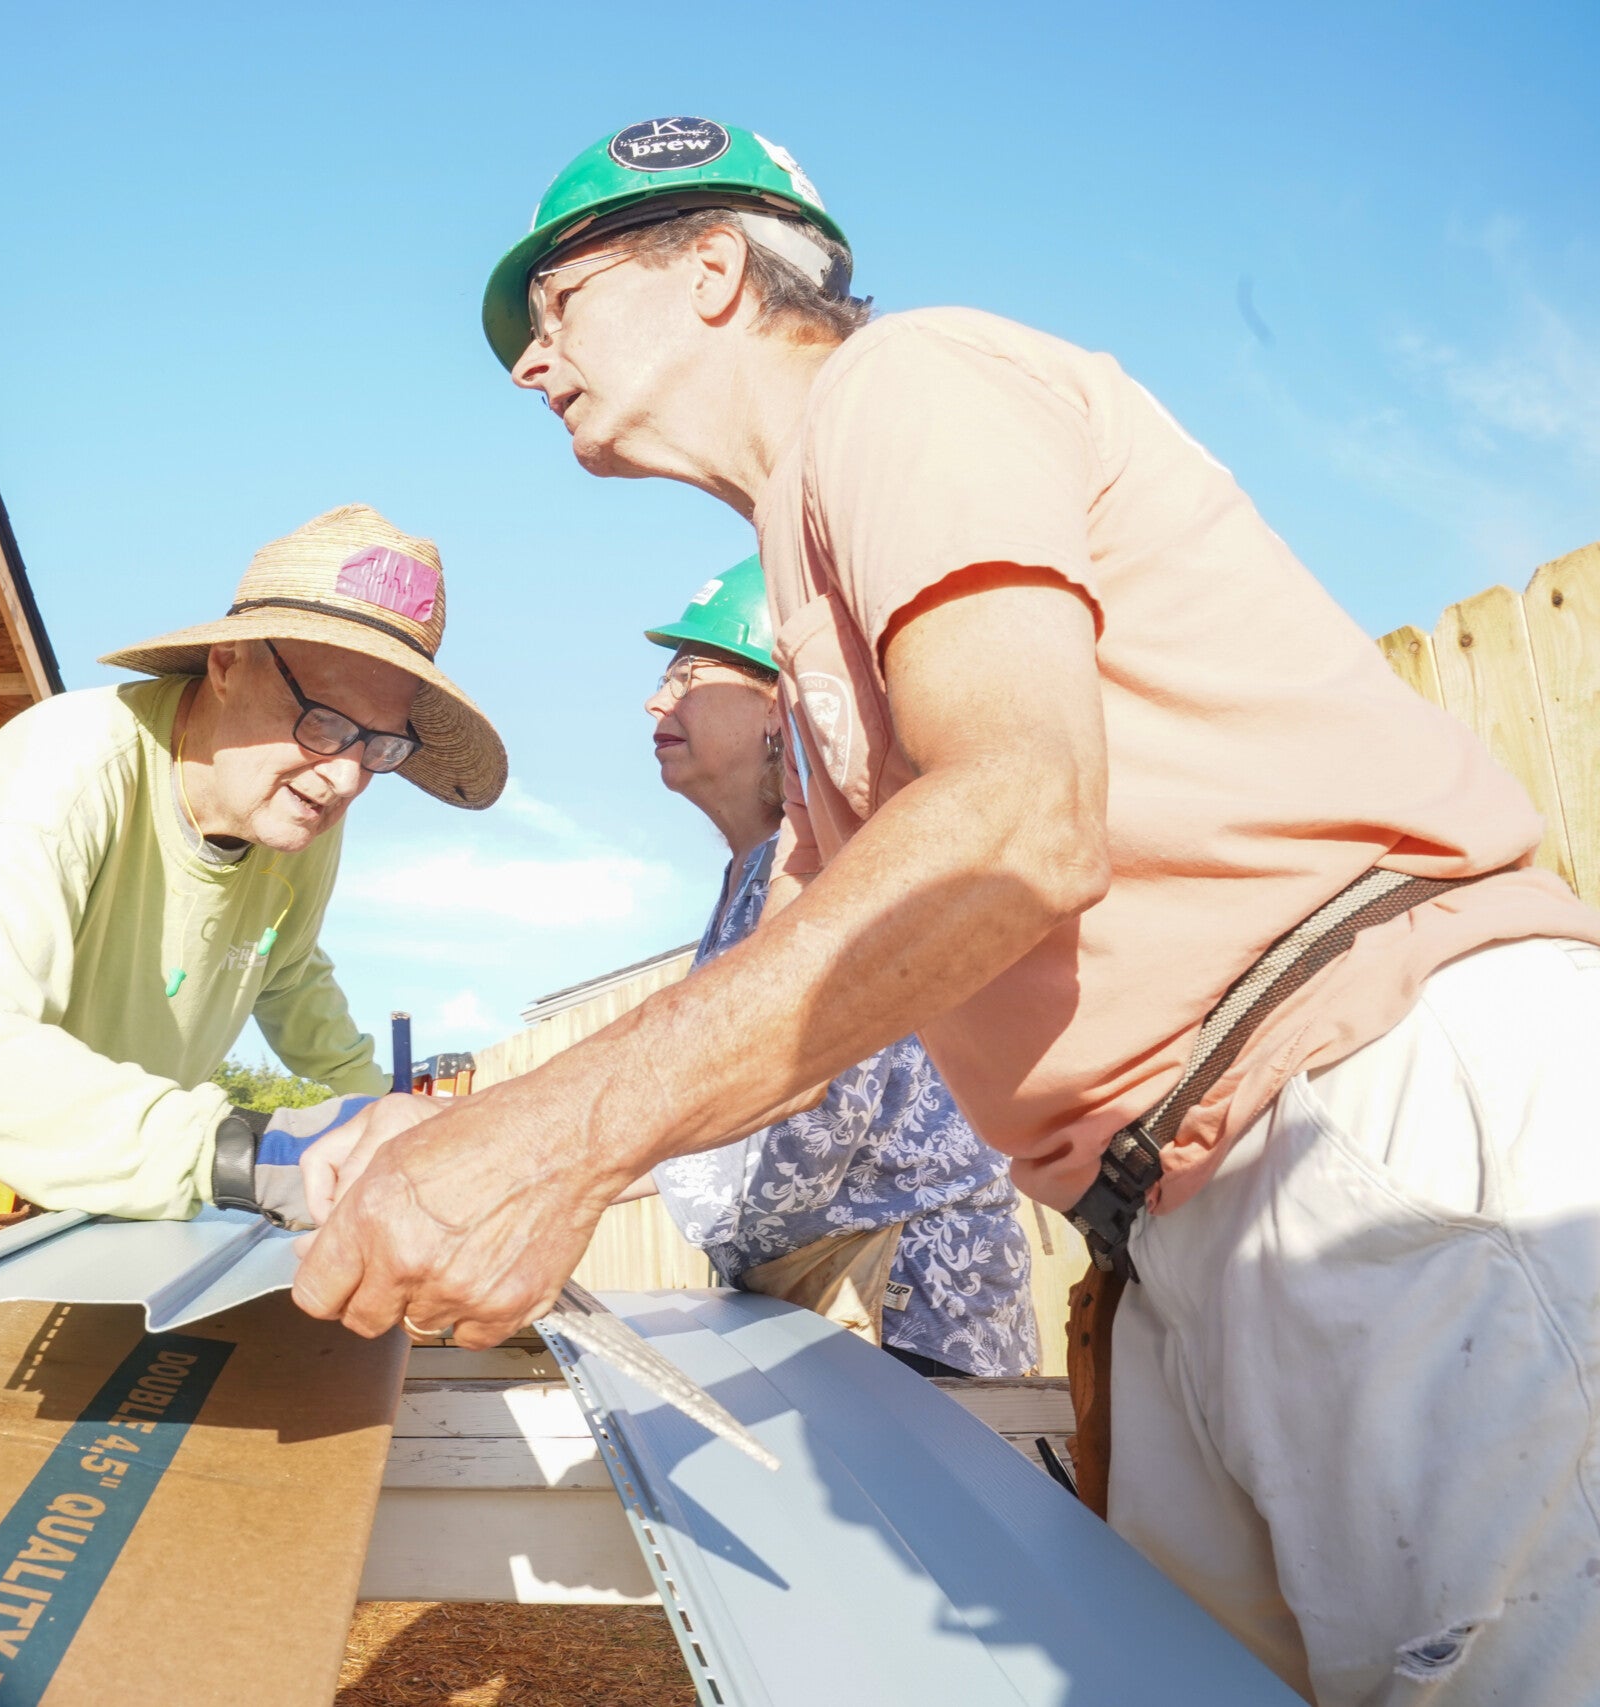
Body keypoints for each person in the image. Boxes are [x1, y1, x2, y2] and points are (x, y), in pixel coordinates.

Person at [295, 116, 1600, 1704]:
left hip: (1375, 1115)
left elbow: (1020, 821)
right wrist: (461, 1129)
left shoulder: (906, 388)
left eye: (553, 303)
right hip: (1201, 1196)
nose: (526, 359)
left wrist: (551, 1142)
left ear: (712, 267)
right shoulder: (815, 579)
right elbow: (787, 977)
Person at [0, 504, 506, 1365]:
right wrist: (256, 1149)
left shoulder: (299, 812)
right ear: (228, 662)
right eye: (325, 722)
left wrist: (384, 1121)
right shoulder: (68, 767)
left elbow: (290, 974)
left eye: (379, 747)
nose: (342, 776)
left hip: (64, 1159)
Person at [639, 558, 1034, 1378]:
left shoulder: (846, 870)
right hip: (843, 1322)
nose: (655, 701)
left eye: (688, 676)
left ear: (780, 703)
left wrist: (590, 1164)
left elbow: (804, 1138)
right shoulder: (750, 881)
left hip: (916, 1327)